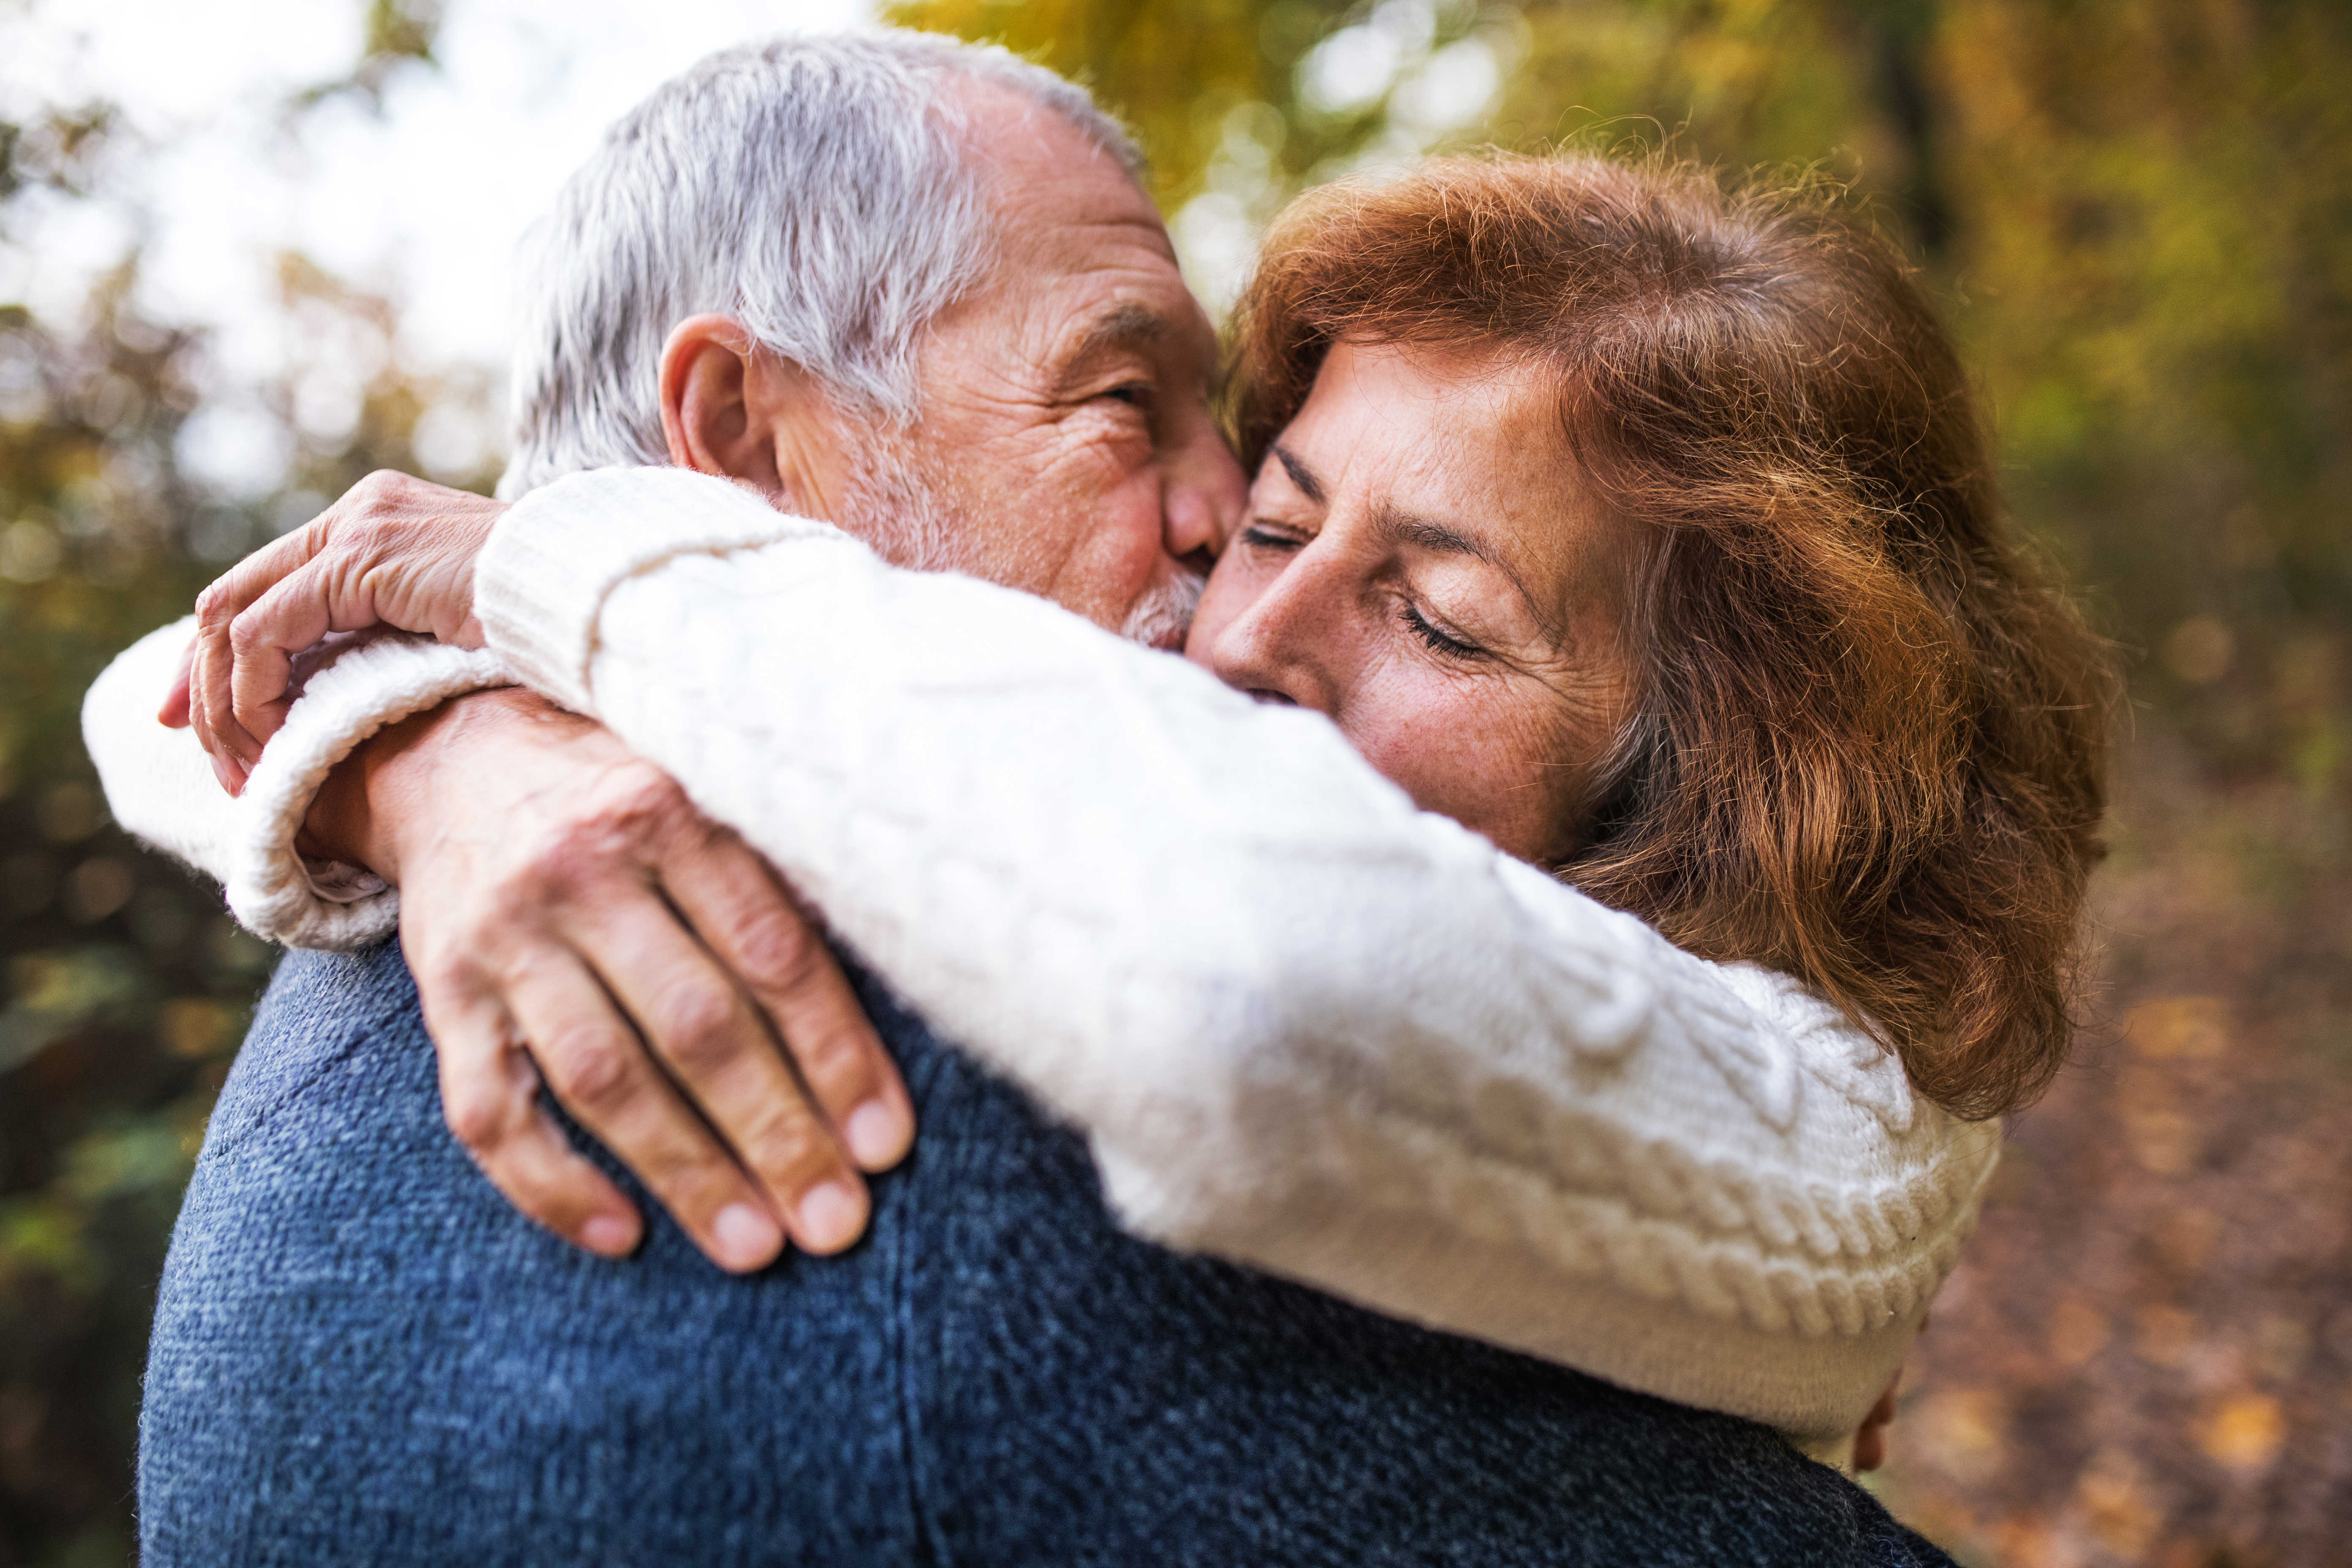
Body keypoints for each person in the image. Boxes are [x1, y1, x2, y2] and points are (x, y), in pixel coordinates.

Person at [82, 31, 2105, 1567]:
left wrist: (427, 729)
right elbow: (1246, 975)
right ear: (736, 448)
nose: (1228, 581)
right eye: (1132, 407)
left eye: (1438, 613)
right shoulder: (962, 1095)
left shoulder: (370, 943)